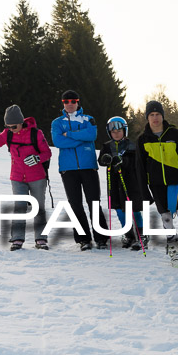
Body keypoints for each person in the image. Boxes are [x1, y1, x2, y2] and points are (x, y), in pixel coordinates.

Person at [0, 105, 52, 250]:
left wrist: (37, 158)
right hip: (17, 177)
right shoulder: (8, 134)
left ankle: (40, 239)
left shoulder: (36, 133)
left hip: (37, 177)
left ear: (21, 122)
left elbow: (47, 153)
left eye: (14, 126)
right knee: (19, 208)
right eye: (8, 126)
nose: (11, 128)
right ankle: (17, 239)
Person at [138, 101, 178, 266]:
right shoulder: (143, 139)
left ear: (162, 116)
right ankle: (174, 249)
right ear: (147, 118)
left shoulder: (174, 134)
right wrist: (144, 193)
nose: (155, 118)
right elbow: (140, 169)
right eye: (151, 115)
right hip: (156, 186)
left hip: (176, 183)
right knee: (166, 218)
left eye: (158, 115)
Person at [51, 90, 108, 251]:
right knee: (75, 204)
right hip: (68, 170)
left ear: (78, 102)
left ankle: (101, 237)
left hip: (88, 167)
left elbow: (91, 135)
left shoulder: (88, 119)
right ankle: (84, 239)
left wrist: (69, 134)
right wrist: (79, 139)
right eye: (66, 101)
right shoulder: (57, 122)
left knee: (94, 202)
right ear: (63, 103)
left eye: (73, 101)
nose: (70, 104)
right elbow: (58, 142)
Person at [98, 117, 145, 251]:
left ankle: (141, 234)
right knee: (119, 209)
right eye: (113, 132)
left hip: (130, 182)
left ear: (124, 131)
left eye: (119, 131)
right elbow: (101, 161)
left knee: (133, 209)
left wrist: (123, 162)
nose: (116, 133)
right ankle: (129, 234)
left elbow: (136, 162)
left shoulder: (132, 146)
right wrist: (105, 159)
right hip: (114, 182)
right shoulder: (107, 146)